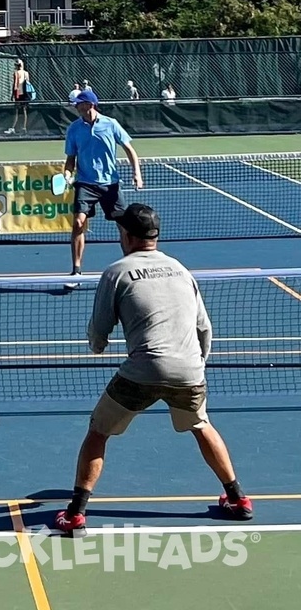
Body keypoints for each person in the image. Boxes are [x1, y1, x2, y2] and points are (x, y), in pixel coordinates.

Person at [55, 203, 253, 535]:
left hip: (141, 372)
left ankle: (75, 513)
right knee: (201, 424)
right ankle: (237, 498)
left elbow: (99, 330)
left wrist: (97, 345)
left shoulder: (116, 272)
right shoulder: (181, 269)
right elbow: (204, 329)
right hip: (190, 371)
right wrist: (194, 366)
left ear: (127, 235)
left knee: (98, 431)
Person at [63, 89, 142, 288]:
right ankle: (76, 271)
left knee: (124, 226)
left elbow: (130, 150)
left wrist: (137, 173)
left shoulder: (111, 124)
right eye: (77, 105)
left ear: (91, 104)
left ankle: (130, 268)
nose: (78, 107)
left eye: (81, 104)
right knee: (78, 223)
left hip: (110, 184)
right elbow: (70, 159)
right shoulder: (74, 129)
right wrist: (67, 173)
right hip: (85, 183)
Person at [5, 59, 33, 134]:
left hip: (18, 93)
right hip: (25, 94)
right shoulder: (26, 73)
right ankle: (24, 127)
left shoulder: (16, 73)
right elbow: (28, 84)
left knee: (16, 111)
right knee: (24, 111)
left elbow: (15, 84)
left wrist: (12, 94)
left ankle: (13, 128)